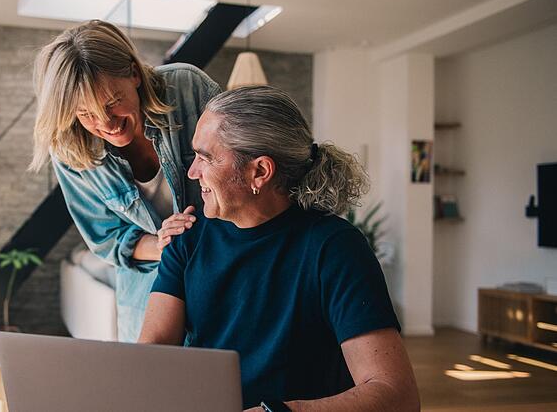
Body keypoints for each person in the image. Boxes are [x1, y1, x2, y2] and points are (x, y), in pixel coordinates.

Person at [138, 86, 420, 411]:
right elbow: (152, 352)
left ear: (259, 171)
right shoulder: (188, 236)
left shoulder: (335, 248)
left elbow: (397, 396)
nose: (192, 172)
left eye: (206, 157)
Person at [30, 20, 220, 341]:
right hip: (146, 300)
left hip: (222, 280)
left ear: (134, 73)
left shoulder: (187, 89)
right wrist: (165, 245)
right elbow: (108, 240)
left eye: (111, 102)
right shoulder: (69, 149)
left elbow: (235, 166)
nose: (107, 124)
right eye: (85, 113)